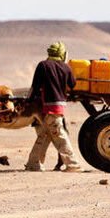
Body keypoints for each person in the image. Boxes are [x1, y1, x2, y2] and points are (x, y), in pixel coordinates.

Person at [25, 41, 83, 172]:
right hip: (59, 106)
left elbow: (35, 86)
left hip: (48, 107)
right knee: (44, 135)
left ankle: (72, 165)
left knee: (59, 136)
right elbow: (73, 84)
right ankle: (33, 164)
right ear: (62, 54)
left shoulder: (43, 65)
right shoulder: (66, 67)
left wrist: (28, 101)